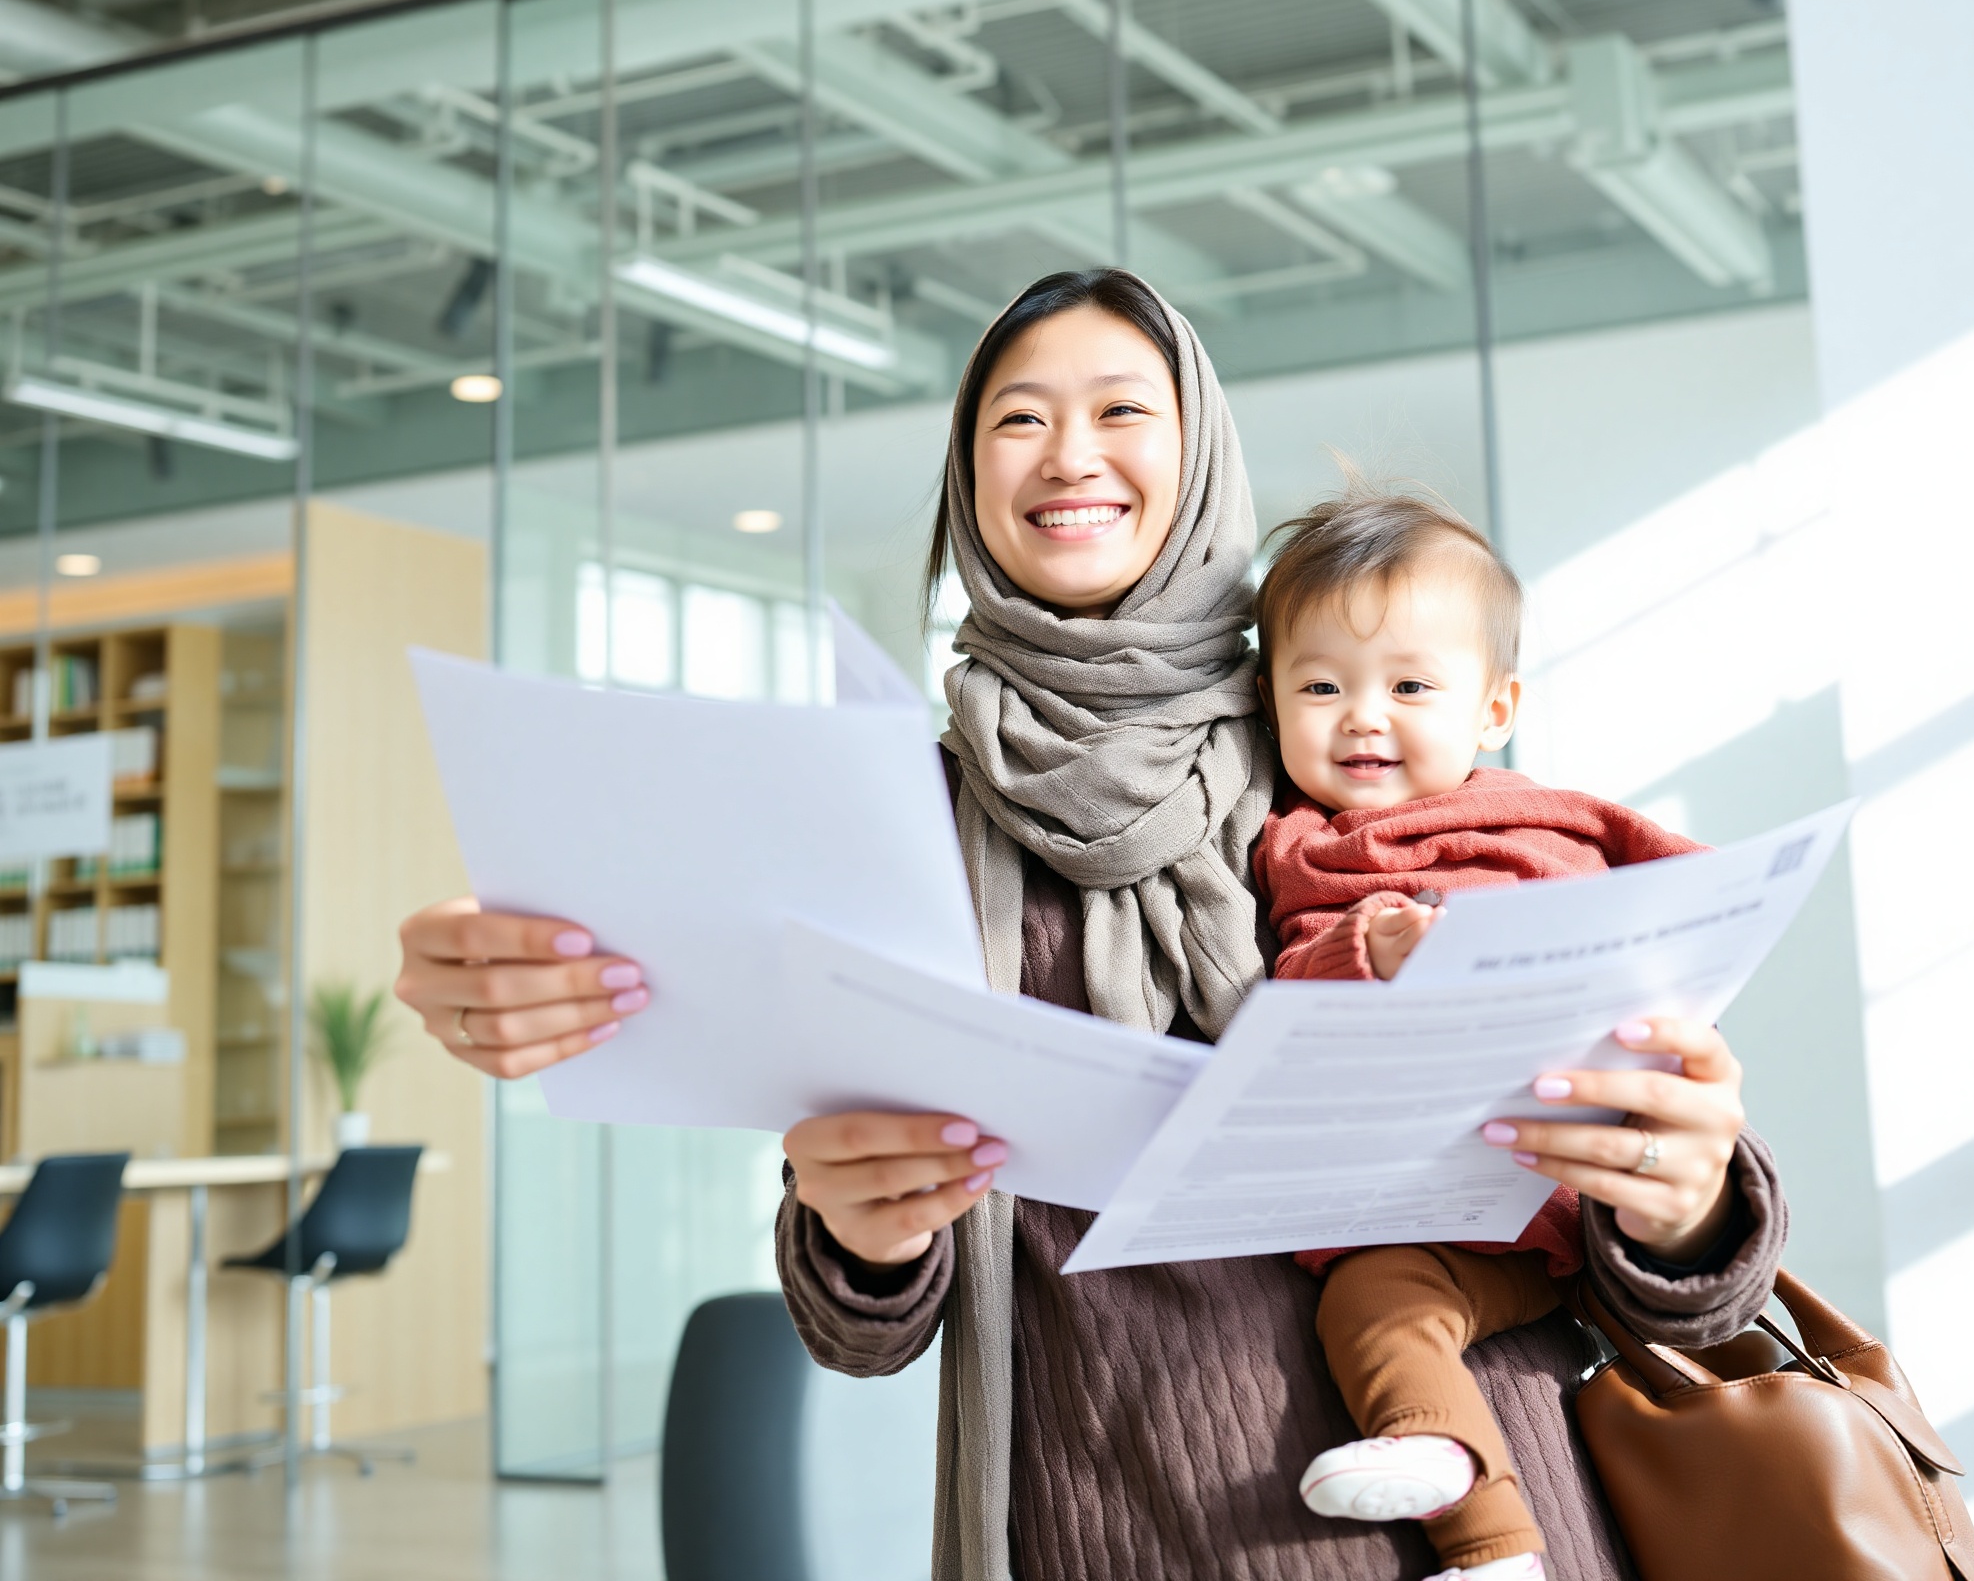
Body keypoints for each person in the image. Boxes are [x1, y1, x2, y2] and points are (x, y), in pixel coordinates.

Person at [393, 270, 1781, 1581]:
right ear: (966, 476)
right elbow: (861, 1326)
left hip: (1475, 1526)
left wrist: (1682, 1197)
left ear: (1201, 455)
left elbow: (1664, 1262)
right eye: (1018, 419)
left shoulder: (1363, 750)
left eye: (1122, 408)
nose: (1069, 454)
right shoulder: (900, 817)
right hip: (1099, 1522)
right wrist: (863, 1225)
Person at [1253, 483, 1707, 1580]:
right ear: (1269, 701)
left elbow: (1685, 899)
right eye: (1320, 685)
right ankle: (1490, 1543)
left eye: (1410, 685)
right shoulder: (1298, 848)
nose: (1363, 716)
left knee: (1379, 1298)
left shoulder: (1549, 818)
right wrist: (1367, 952)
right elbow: (1282, 997)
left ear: (1493, 707)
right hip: (1416, 1208)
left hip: (1562, 1179)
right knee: (1378, 1302)